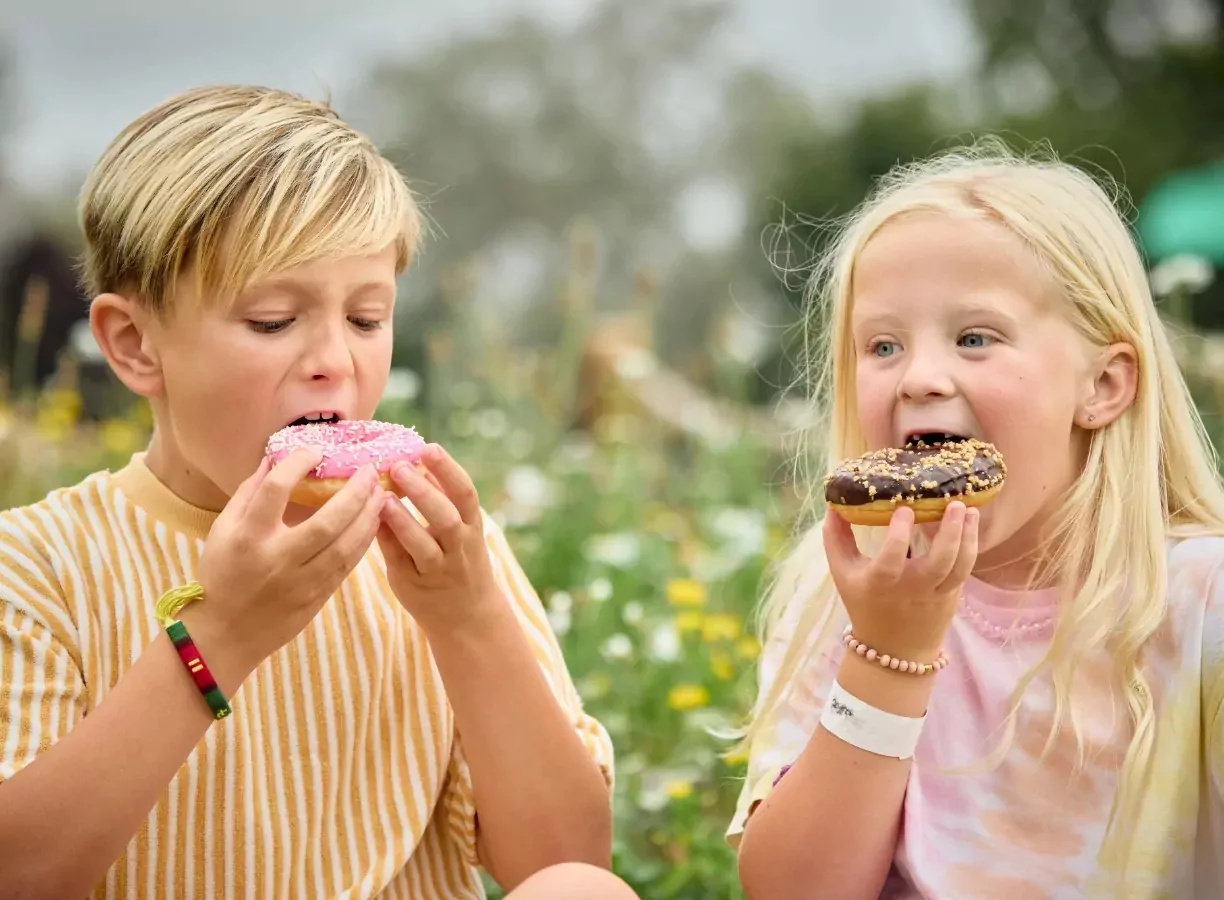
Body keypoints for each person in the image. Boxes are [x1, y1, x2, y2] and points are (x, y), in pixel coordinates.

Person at [0, 84, 635, 900]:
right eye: (272, 320)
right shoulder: (36, 567)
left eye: (368, 319)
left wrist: (469, 616)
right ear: (135, 346)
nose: (335, 359)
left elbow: (567, 856)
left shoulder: (436, 550)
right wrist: (218, 636)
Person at [729, 139, 1224, 899]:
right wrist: (886, 656)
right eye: (883, 345)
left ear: (1104, 384)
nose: (920, 378)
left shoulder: (1199, 604)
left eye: (975, 338)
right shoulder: (838, 596)